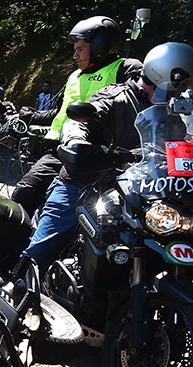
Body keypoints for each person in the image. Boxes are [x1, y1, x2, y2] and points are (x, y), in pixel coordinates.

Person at [21, 42, 193, 277]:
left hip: (137, 196)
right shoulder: (115, 96)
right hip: (85, 185)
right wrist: (77, 143)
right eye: (179, 86)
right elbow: (78, 121)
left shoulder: (171, 115)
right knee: (42, 250)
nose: (181, 92)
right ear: (162, 75)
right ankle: (19, 288)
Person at [10, 16, 142, 216]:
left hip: (100, 156)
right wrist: (32, 115)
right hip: (60, 150)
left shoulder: (126, 69)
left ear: (100, 46)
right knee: (24, 194)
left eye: (80, 49)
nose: (74, 55)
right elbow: (61, 112)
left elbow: (146, 104)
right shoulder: (75, 76)